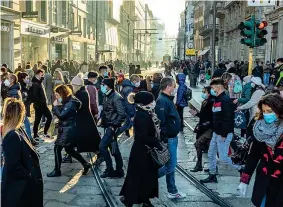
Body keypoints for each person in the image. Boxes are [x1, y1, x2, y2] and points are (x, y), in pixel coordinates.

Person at [238, 94, 283, 207]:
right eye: (264, 111)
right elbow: (253, 156)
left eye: (270, 111)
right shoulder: (259, 128)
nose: (267, 115)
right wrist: (245, 179)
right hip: (264, 178)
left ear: (279, 110)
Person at [120, 92, 161, 207]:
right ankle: (129, 199)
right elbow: (143, 136)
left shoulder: (145, 112)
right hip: (142, 151)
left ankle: (144, 200)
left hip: (143, 150)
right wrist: (156, 142)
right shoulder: (142, 115)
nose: (153, 103)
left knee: (143, 176)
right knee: (138, 177)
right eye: (151, 101)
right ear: (146, 102)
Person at [1, 98, 43, 207]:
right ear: (20, 114)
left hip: (22, 185)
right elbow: (13, 165)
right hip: (20, 188)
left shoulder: (17, 130)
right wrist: (29, 175)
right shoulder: (12, 136)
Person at [200, 78, 242, 184]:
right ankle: (212, 175)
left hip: (223, 133)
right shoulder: (217, 99)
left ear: (218, 87)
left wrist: (224, 133)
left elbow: (227, 118)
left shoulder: (225, 100)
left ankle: (241, 168)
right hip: (216, 132)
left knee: (223, 156)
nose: (212, 90)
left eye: (213, 88)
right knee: (211, 154)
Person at [47, 85, 91, 177]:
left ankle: (57, 170)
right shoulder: (68, 101)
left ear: (63, 94)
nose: (56, 97)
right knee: (69, 149)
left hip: (68, 129)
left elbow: (62, 115)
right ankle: (85, 164)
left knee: (57, 148)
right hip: (66, 128)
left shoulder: (70, 103)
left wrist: (55, 107)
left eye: (57, 95)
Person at [155, 77, 186, 199]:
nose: (175, 88)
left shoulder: (166, 99)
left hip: (172, 137)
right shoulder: (162, 101)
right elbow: (161, 121)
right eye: (173, 86)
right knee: (171, 166)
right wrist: (166, 137)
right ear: (168, 87)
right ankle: (148, 178)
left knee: (171, 166)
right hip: (169, 138)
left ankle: (172, 190)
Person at [71, 75, 102, 162]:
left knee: (88, 140)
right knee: (88, 139)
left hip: (84, 120)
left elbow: (77, 106)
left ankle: (99, 154)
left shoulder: (81, 94)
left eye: (73, 85)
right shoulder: (82, 92)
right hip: (84, 119)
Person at [99, 78, 126, 178]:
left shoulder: (116, 97)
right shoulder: (106, 95)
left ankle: (109, 169)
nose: (102, 86)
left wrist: (114, 125)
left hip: (112, 126)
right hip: (108, 125)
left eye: (103, 85)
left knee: (102, 146)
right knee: (114, 148)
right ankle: (119, 170)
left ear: (109, 86)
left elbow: (122, 114)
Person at [190, 86, 214, 172]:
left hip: (209, 128)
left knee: (198, 144)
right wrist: (196, 114)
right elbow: (204, 116)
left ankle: (200, 165)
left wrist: (203, 125)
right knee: (209, 148)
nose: (203, 93)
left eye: (205, 92)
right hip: (204, 127)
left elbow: (212, 118)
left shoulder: (212, 102)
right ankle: (211, 167)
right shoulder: (205, 101)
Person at [30, 69, 53, 140]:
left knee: (45, 118)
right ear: (39, 74)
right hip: (39, 105)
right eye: (42, 74)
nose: (43, 76)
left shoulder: (39, 82)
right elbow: (35, 95)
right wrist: (40, 102)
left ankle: (42, 133)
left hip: (42, 104)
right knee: (39, 119)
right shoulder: (35, 83)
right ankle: (37, 134)